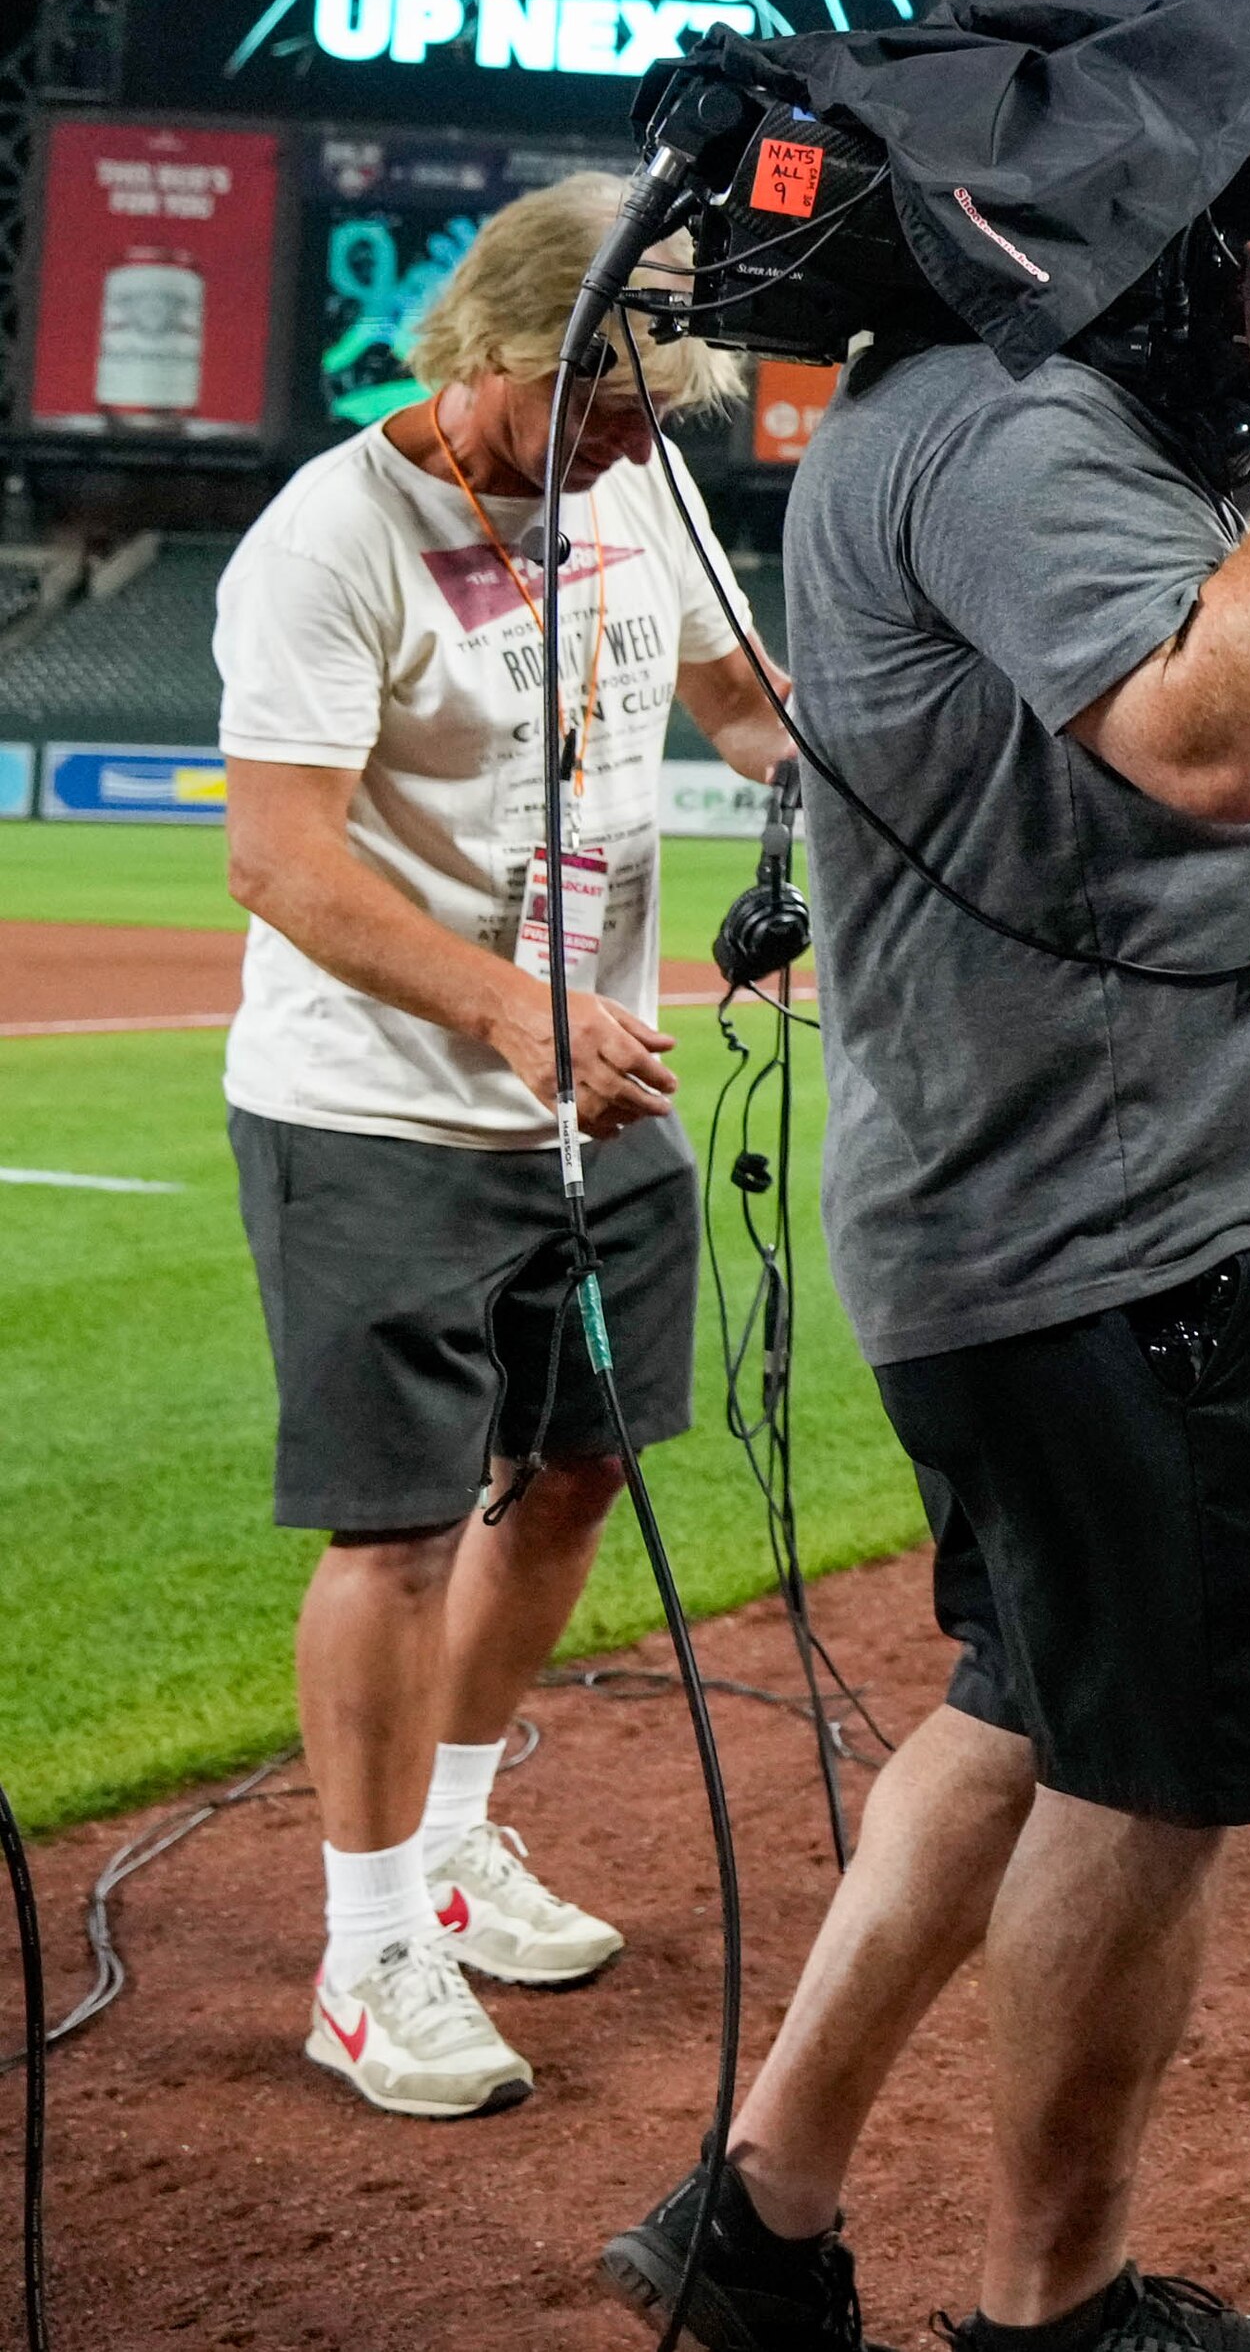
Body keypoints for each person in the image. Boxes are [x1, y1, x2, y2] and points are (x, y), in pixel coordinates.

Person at [609, 144, 1250, 2351]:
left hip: (1080, 1223)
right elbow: (1214, 733)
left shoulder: (961, 415)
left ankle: (762, 2214)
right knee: (1140, 1763)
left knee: (1028, 1704)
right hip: (1128, 1241)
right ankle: (1057, 2309)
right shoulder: (1007, 428)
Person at [211, 177, 788, 2123]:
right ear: (489, 360)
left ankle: (452, 1833)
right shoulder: (329, 536)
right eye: (597, 414)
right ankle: (367, 1951)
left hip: (590, 1089)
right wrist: (502, 1008)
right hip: (382, 1099)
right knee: (390, 1524)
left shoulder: (639, 486)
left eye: (647, 421)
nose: (624, 454)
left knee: (579, 1466)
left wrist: (891, 777)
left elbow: (739, 702)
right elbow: (276, 854)